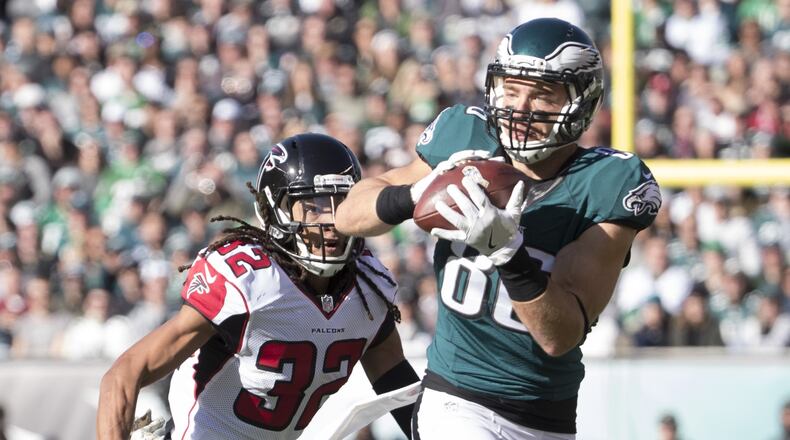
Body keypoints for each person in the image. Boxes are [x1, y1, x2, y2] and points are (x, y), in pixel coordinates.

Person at [335, 18, 660, 439]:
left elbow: (558, 334)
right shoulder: (466, 136)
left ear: (581, 103)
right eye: (512, 89)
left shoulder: (606, 183)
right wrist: (415, 196)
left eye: (542, 94)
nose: (521, 107)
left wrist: (509, 252)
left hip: (548, 415)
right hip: (456, 398)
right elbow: (348, 215)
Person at [97, 133, 419, 439]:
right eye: (314, 205)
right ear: (276, 210)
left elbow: (395, 381)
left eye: (342, 202)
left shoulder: (366, 287)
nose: (331, 221)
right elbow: (123, 375)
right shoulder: (250, 280)